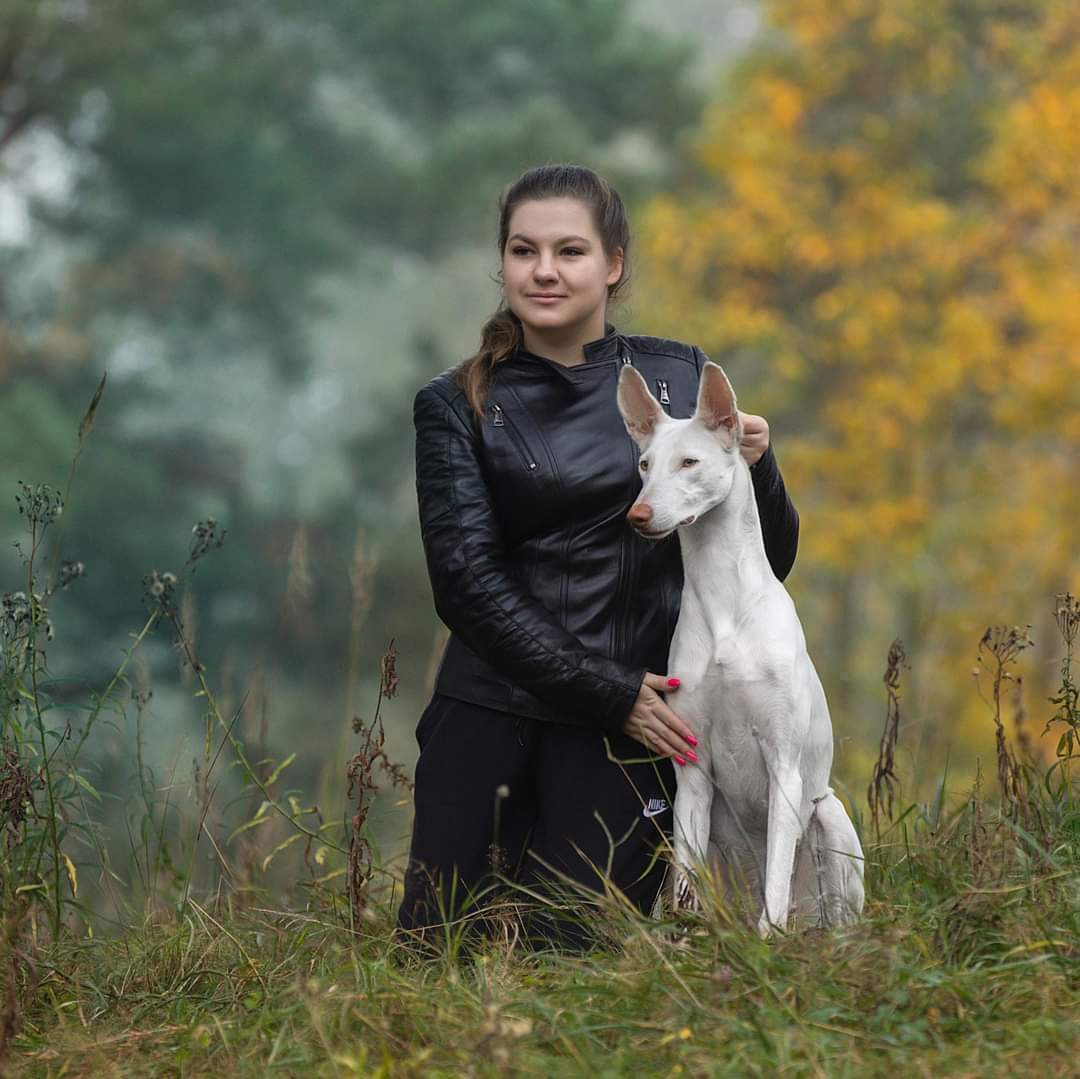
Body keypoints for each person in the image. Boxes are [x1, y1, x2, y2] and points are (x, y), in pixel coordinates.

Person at [396, 163, 799, 953]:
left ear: (612, 264)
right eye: (523, 250)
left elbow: (768, 560)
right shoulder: (456, 403)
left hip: (630, 739)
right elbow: (467, 584)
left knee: (571, 959)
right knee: (435, 959)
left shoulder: (680, 372)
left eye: (569, 251)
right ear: (503, 262)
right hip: (494, 721)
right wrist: (607, 689)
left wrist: (760, 462)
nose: (544, 270)